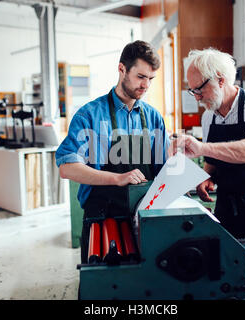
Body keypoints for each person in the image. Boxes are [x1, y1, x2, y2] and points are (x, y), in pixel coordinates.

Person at [56, 40, 169, 263]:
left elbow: (163, 170)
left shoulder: (154, 117)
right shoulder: (88, 115)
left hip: (145, 216)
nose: (146, 85)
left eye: (150, 79)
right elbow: (67, 168)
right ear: (122, 69)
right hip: (102, 217)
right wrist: (117, 178)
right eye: (140, 77)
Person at [169, 48, 245, 239]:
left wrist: (201, 148)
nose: (197, 97)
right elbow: (214, 160)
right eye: (192, 91)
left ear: (221, 80)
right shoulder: (209, 116)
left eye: (200, 89)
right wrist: (206, 176)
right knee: (225, 263)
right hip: (226, 205)